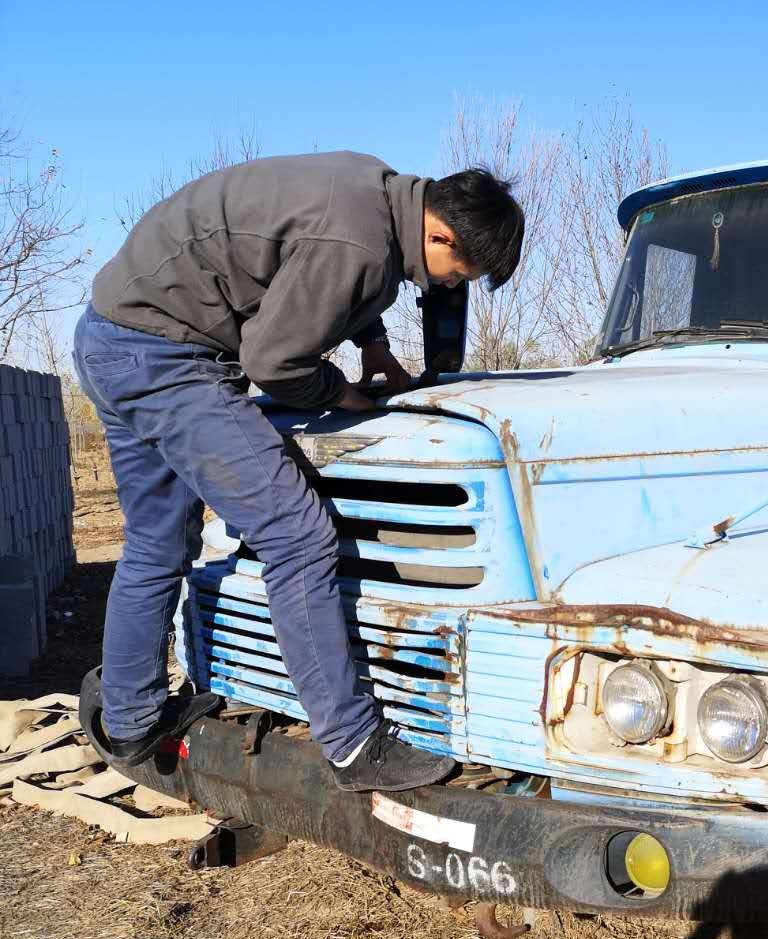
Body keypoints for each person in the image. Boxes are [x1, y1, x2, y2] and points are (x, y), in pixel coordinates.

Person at [73, 151, 523, 791]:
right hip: (169, 360)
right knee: (299, 533)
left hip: (110, 339)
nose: (453, 285)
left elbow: (318, 263)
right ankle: (352, 744)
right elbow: (274, 361)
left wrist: (375, 344)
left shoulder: (376, 189)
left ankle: (130, 720)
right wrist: (342, 393)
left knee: (156, 541)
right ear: (440, 234)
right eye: (461, 271)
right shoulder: (361, 244)